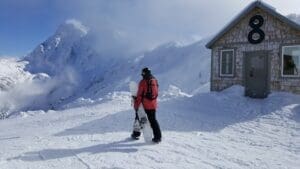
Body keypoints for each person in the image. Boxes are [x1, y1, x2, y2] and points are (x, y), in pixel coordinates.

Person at [132, 67, 162, 143]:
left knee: (138, 118)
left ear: (143, 74)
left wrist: (136, 105)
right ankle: (158, 137)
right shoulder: (154, 80)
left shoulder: (143, 82)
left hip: (144, 105)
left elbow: (139, 96)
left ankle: (136, 134)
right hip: (153, 105)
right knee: (153, 121)